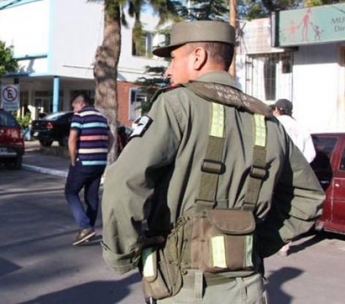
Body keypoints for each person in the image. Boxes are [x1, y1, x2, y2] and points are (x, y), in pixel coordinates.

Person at [101, 21, 325, 304]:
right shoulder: (267, 121)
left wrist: (122, 255)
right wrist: (254, 242)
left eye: (173, 59)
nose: (169, 70)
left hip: (183, 286)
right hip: (249, 288)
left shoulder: (176, 104)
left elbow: (123, 182)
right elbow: (308, 196)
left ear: (198, 56)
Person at [270, 98, 316, 256]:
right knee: (288, 204)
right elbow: (311, 153)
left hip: (275, 170)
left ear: (276, 109)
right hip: (296, 173)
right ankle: (286, 242)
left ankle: (274, 240)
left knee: (272, 205)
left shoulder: (273, 123)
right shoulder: (301, 127)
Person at [65, 93, 112, 246]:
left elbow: (72, 139)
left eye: (74, 106)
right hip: (100, 162)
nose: (73, 110)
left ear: (81, 103)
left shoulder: (80, 116)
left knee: (71, 192)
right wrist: (103, 152)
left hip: (84, 161)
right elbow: (110, 138)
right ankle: (88, 230)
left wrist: (73, 159)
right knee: (92, 197)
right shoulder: (101, 117)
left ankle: (85, 227)